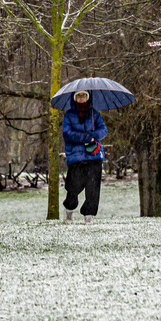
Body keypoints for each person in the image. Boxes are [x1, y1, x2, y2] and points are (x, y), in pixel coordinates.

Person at [61, 90, 107, 224]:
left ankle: (89, 214)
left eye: (84, 95)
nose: (82, 98)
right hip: (76, 157)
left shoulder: (94, 114)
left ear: (88, 97)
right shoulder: (69, 115)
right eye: (79, 96)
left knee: (93, 187)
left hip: (94, 155)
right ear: (75, 98)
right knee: (73, 187)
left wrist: (94, 135)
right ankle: (69, 208)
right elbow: (67, 134)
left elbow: (103, 130)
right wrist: (84, 137)